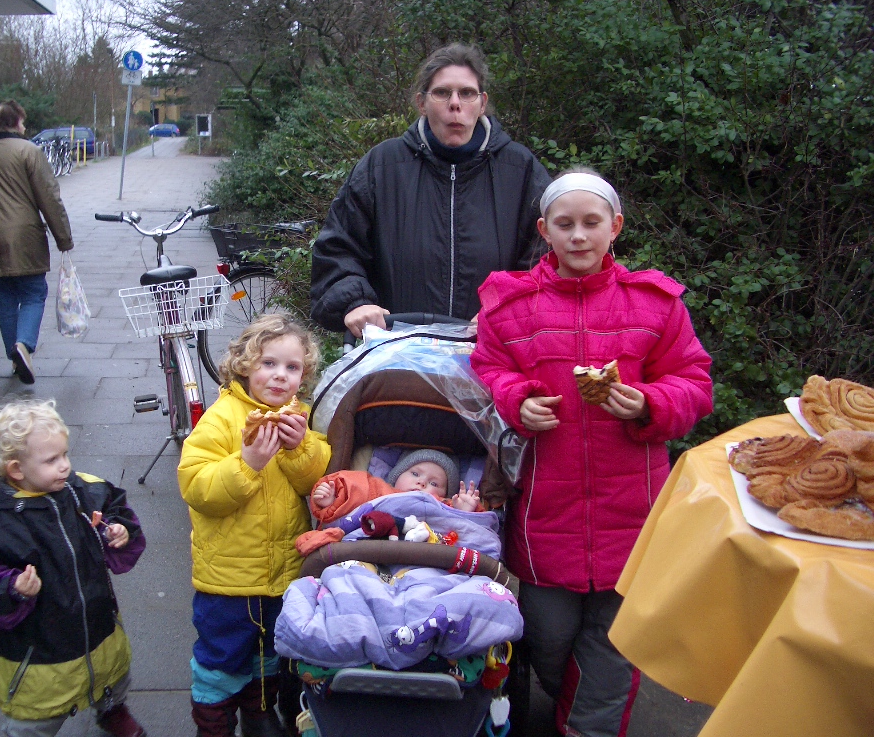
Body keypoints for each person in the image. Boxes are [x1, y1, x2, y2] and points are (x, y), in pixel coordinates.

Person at [469, 169, 714, 737]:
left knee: (614, 643)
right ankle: (576, 710)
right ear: (544, 231)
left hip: (633, 513)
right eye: (565, 224)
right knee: (547, 638)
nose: (578, 235)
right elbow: (488, 370)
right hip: (544, 514)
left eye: (591, 222)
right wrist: (518, 400)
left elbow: (695, 382)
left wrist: (651, 403)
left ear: (615, 227)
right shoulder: (511, 306)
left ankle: (585, 727)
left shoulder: (655, 303)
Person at [310, 42, 553, 337]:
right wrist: (356, 302)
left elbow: (547, 257)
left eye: (467, 93)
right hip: (397, 350)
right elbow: (337, 249)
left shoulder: (520, 170)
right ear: (422, 102)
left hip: (494, 350)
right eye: (442, 92)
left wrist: (509, 306)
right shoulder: (381, 167)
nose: (455, 103)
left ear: (482, 103)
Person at [0, 399, 147, 737]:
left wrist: (117, 530)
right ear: (16, 470)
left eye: (65, 454)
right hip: (38, 650)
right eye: (52, 460)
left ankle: (112, 710)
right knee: (36, 716)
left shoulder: (82, 491)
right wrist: (11, 587)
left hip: (96, 623)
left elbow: (114, 506)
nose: (65, 466)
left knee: (111, 676)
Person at [177, 313, 332, 737]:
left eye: (292, 367)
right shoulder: (222, 418)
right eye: (268, 363)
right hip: (229, 578)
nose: (280, 375)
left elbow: (313, 481)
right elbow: (197, 487)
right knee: (221, 659)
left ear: (303, 376)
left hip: (281, 572)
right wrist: (247, 463)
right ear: (245, 365)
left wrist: (300, 448)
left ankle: (259, 713)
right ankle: (214, 723)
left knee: (268, 652)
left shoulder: (299, 417)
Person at [0, 100, 73, 384]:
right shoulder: (28, 152)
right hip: (25, 238)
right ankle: (24, 345)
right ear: (14, 123)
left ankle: (15, 358)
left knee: (5, 299)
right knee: (34, 293)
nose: (24, 126)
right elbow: (49, 198)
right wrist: (63, 238)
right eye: (22, 121)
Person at [310, 448, 482, 520]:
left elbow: (469, 533)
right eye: (415, 474)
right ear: (397, 476)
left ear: (445, 494)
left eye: (434, 483)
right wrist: (333, 500)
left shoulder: (446, 506)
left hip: (430, 556)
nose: (422, 482)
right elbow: (352, 489)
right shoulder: (377, 490)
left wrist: (464, 512)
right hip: (373, 549)